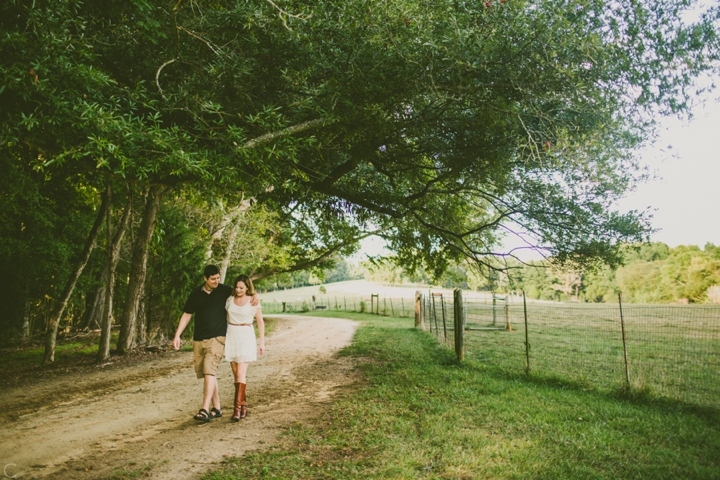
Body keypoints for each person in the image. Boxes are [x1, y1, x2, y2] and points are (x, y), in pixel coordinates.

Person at [172, 265, 258, 422]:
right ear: (205, 278)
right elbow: (187, 314)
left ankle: (204, 409)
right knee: (207, 373)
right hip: (199, 339)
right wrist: (177, 335)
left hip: (218, 338)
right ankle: (217, 408)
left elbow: (243, 290)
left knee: (209, 372)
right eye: (213, 279)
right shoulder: (195, 294)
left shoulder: (224, 290)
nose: (216, 281)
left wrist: (255, 295)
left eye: (218, 278)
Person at [224, 274, 265, 421]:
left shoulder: (253, 301)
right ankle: (244, 406)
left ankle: (236, 411)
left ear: (247, 287)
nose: (238, 290)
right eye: (236, 287)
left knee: (241, 372)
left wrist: (262, 342)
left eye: (241, 287)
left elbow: (260, 322)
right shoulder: (229, 300)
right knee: (236, 374)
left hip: (246, 335)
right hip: (232, 335)